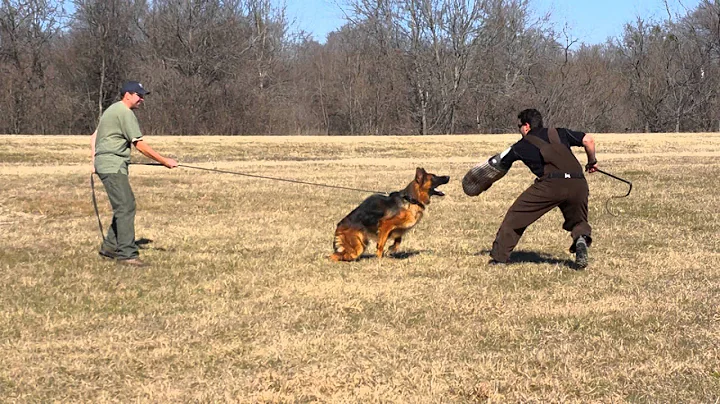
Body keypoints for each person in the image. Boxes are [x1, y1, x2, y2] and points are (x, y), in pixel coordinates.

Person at [488, 108, 597, 268]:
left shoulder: (520, 146)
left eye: (519, 126)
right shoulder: (559, 133)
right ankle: (580, 238)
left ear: (526, 126)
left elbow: (498, 164)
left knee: (516, 216)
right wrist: (592, 161)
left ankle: (499, 258)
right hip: (578, 183)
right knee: (578, 220)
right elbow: (588, 140)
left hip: (551, 185)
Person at [91, 81, 178, 267]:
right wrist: (164, 161)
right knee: (125, 206)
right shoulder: (124, 112)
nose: (142, 99)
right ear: (127, 95)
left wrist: (94, 160)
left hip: (110, 164)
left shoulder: (113, 110)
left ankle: (110, 247)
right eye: (138, 95)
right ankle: (127, 254)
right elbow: (140, 145)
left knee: (125, 205)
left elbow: (95, 136)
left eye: (142, 95)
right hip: (112, 166)